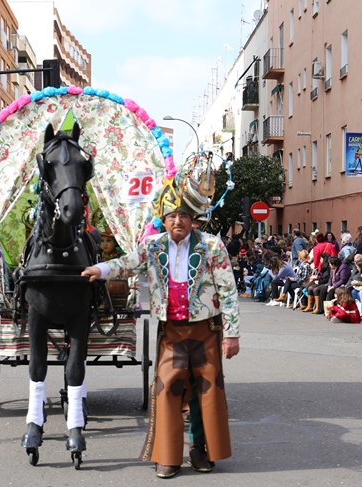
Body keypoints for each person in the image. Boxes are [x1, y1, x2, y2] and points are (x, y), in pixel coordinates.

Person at [81, 170, 240, 478]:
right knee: (168, 388)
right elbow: (125, 264)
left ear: (193, 218)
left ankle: (200, 449)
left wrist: (231, 334)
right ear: (163, 219)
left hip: (207, 330)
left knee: (205, 391)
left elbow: (228, 291)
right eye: (171, 216)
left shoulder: (212, 246)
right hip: (171, 331)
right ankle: (168, 455)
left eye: (183, 215)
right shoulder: (151, 246)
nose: (177, 221)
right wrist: (99, 270)